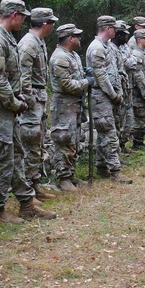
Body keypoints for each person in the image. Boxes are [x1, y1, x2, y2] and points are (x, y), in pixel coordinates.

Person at [0, 0, 51, 222]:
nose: (24, 20)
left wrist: (16, 101)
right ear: (14, 15)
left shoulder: (7, 38)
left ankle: (26, 204)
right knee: (0, 159)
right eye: (22, 15)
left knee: (16, 155)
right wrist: (15, 102)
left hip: (7, 109)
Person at [18, 7, 58, 202]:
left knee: (38, 145)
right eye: (51, 23)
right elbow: (23, 77)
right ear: (45, 24)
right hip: (31, 102)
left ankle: (34, 184)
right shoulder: (28, 44)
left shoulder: (38, 42)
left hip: (38, 98)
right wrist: (29, 101)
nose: (52, 27)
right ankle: (26, 189)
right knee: (30, 144)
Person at [49, 24, 91, 191]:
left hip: (74, 105)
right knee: (64, 140)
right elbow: (67, 85)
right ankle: (63, 177)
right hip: (64, 105)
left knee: (74, 141)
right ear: (69, 38)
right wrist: (87, 82)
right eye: (77, 36)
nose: (80, 39)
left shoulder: (72, 55)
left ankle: (71, 173)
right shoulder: (60, 57)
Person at [86, 16, 129, 181]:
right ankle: (115, 171)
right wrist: (113, 95)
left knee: (105, 133)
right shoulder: (97, 48)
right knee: (109, 133)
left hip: (109, 96)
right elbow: (101, 76)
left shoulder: (107, 46)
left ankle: (102, 166)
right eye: (113, 28)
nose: (116, 31)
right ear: (107, 29)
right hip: (102, 96)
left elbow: (114, 71)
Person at [126, 28, 145, 152]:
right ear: (139, 40)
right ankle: (137, 142)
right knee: (141, 118)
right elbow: (138, 77)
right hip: (140, 94)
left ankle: (139, 141)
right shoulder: (137, 55)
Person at [112, 20, 134, 154]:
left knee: (126, 116)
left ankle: (122, 145)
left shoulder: (125, 47)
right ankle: (117, 149)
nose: (127, 36)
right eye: (124, 34)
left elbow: (133, 61)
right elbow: (127, 63)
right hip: (118, 88)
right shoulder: (111, 48)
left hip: (126, 85)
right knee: (118, 118)